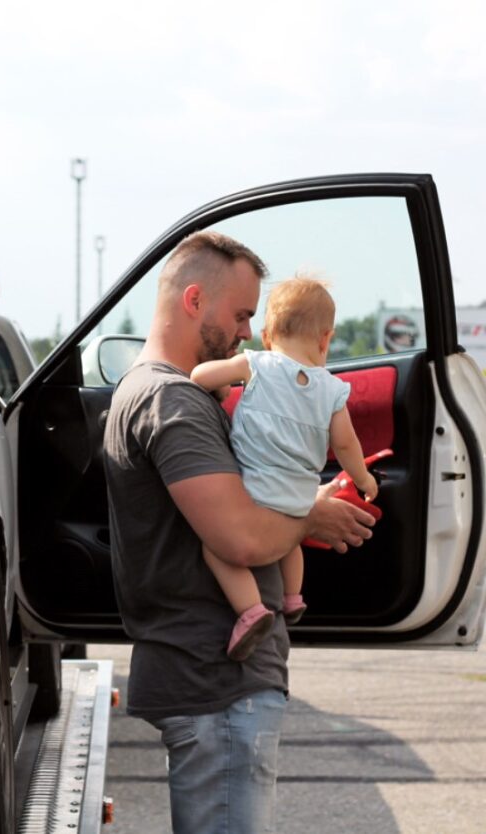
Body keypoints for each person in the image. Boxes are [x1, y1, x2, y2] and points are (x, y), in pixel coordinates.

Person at [102, 231, 375, 834]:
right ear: (194, 300)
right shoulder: (169, 400)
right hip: (217, 687)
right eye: (243, 314)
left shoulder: (183, 394)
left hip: (217, 684)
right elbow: (242, 541)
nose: (251, 332)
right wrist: (310, 514)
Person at [189, 276, 379, 661]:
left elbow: (198, 377)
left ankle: (250, 610)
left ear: (267, 335)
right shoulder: (332, 389)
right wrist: (363, 479)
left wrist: (222, 385)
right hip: (299, 497)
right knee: (292, 540)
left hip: (254, 491)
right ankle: (293, 597)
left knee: (216, 550)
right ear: (325, 339)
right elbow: (345, 443)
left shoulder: (257, 363)